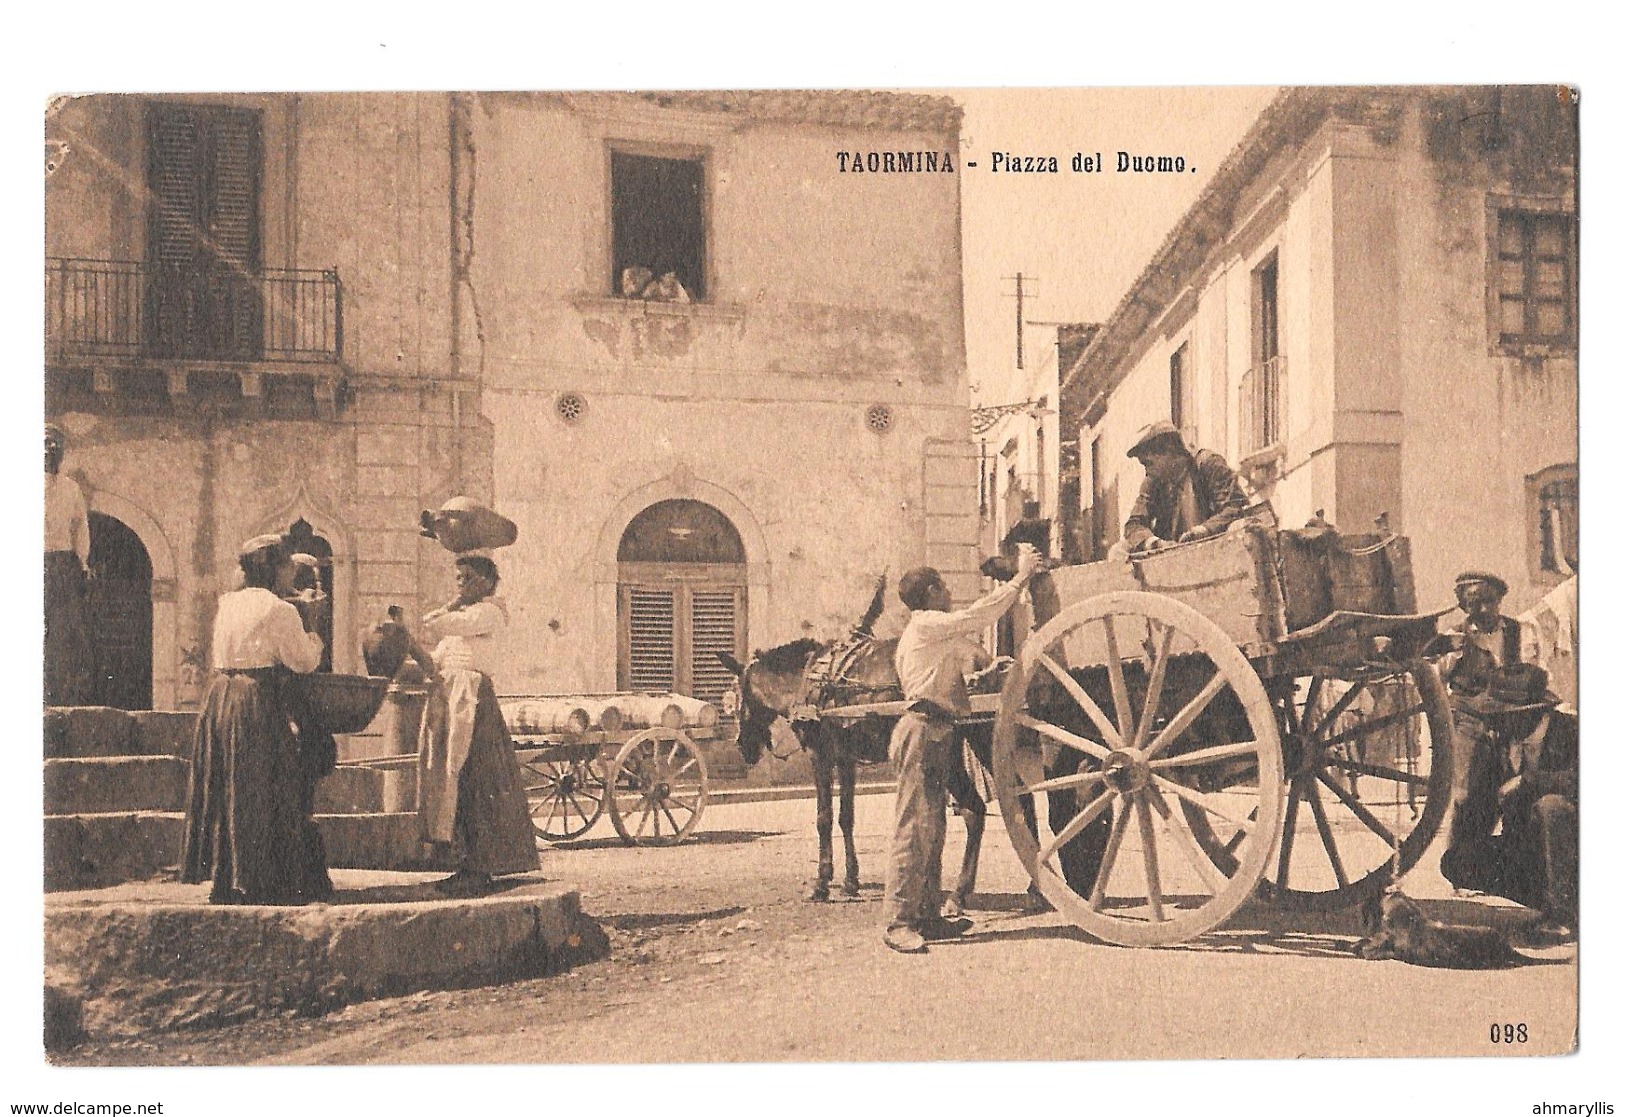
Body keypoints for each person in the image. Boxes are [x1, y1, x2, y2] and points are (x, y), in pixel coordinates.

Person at [883, 544, 1039, 954]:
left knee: (932, 827)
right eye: (945, 588)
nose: (950, 593)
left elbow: (943, 677)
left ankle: (928, 916)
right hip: (921, 730)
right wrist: (1020, 578)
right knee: (914, 827)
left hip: (935, 728)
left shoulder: (925, 634)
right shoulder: (928, 623)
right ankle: (898, 922)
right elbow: (980, 615)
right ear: (932, 592)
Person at [181, 535, 331, 905]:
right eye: (287, 569)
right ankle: (261, 879)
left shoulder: (229, 603)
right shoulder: (280, 610)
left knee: (230, 783)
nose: (290, 576)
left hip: (221, 696)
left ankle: (228, 877)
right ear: (276, 569)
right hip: (254, 700)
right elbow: (302, 662)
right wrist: (312, 628)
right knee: (263, 784)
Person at [1436, 570, 1577, 943]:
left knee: (1552, 808)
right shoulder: (1456, 637)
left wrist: (1527, 781)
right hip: (1467, 717)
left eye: (1488, 600)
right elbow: (1441, 682)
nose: (1481, 608)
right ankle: (1537, 897)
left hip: (1575, 837)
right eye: (1472, 602)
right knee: (1463, 839)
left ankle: (1564, 909)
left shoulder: (1569, 731)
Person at [412, 555, 539, 896]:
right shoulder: (461, 623)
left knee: (474, 779)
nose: (460, 584)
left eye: (467, 578)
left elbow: (438, 623)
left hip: (473, 700)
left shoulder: (489, 612)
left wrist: (451, 604)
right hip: (450, 697)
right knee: (451, 778)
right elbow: (433, 661)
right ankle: (464, 863)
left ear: (486, 582)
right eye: (457, 578)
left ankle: (482, 866)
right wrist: (407, 644)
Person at [1121, 420, 1248, 553]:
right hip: (1174, 556)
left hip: (1216, 548)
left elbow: (1235, 507)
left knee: (1239, 526)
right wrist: (1154, 544)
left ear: (1168, 451)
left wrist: (1203, 530)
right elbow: (1134, 524)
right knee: (1119, 550)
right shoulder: (1153, 482)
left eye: (1148, 463)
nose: (1147, 471)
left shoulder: (1207, 465)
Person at [44, 424, 94, 706]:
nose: (50, 449)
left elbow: (81, 529)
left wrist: (82, 565)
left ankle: (60, 697)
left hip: (61, 563)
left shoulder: (70, 488)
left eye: (55, 445)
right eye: (46, 442)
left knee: (64, 632)